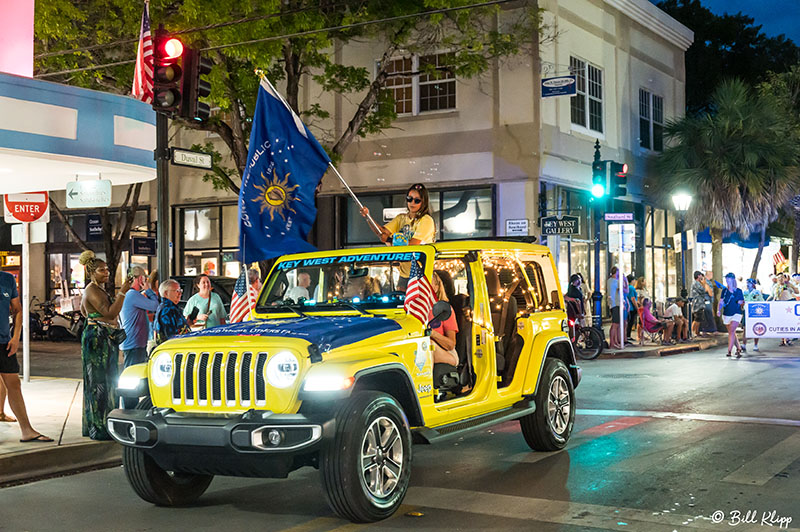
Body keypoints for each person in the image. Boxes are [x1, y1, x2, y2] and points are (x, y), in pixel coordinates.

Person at [79, 250, 130, 440]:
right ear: (92, 272)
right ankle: (99, 427)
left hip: (100, 336)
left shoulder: (97, 289)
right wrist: (123, 291)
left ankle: (100, 423)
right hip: (97, 340)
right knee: (99, 382)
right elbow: (109, 312)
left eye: (107, 269)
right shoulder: (92, 290)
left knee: (107, 380)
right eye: (102, 270)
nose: (107, 272)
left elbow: (88, 314)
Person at [0, 270, 52, 442]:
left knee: (13, 384)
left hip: (4, 342)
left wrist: (15, 338)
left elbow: (18, 310)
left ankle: (27, 430)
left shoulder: (7, 279)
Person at [360, 183, 437, 289]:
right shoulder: (401, 218)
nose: (412, 203)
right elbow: (382, 232)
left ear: (423, 202)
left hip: (422, 274)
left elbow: (413, 244)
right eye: (409, 199)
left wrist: (389, 240)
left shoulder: (426, 220)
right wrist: (368, 217)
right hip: (404, 274)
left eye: (417, 200)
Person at [118, 266, 159, 409]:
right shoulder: (132, 295)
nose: (146, 280)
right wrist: (148, 290)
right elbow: (156, 306)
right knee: (131, 379)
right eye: (145, 278)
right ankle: (129, 410)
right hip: (133, 344)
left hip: (135, 343)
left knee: (134, 377)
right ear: (140, 279)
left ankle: (131, 407)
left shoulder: (132, 295)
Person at [429, 272, 459, 366]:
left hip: (447, 353)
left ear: (436, 287)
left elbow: (450, 345)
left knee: (427, 345)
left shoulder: (444, 309)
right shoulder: (413, 310)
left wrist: (432, 333)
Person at [154, 280, 195, 345]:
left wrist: (187, 323)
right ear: (166, 293)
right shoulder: (167, 310)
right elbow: (171, 337)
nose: (180, 294)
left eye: (180, 291)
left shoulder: (172, 308)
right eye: (177, 291)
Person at [718, 272, 744, 358]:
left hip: (736, 312)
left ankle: (729, 350)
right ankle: (739, 348)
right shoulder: (724, 291)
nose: (727, 280)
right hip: (727, 313)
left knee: (732, 330)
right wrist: (718, 310)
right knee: (731, 332)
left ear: (733, 280)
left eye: (728, 279)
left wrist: (740, 302)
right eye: (726, 279)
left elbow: (742, 301)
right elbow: (721, 301)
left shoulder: (738, 291)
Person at [742, 278, 764, 353]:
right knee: (745, 328)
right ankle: (744, 345)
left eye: (749, 283)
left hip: (755, 312)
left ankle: (755, 345)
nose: (748, 284)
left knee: (756, 328)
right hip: (746, 311)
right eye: (747, 283)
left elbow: (761, 302)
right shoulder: (745, 292)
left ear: (753, 284)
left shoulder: (757, 292)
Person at [607, 267, 627, 350]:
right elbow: (624, 290)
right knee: (615, 325)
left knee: (616, 324)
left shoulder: (610, 281)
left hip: (614, 304)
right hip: (616, 304)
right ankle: (613, 342)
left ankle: (614, 341)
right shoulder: (615, 281)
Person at [690, 271, 714, 337]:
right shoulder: (696, 283)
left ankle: (697, 332)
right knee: (697, 319)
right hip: (697, 304)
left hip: (700, 303)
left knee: (699, 318)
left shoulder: (698, 283)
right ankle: (692, 332)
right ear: (698, 276)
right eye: (701, 276)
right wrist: (704, 283)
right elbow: (703, 290)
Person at [626, 274, 639, 342]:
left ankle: (627, 335)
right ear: (632, 280)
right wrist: (637, 307)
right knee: (630, 322)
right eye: (634, 280)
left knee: (629, 322)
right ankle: (628, 335)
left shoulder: (628, 287)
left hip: (629, 307)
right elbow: (633, 299)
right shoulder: (631, 288)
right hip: (631, 308)